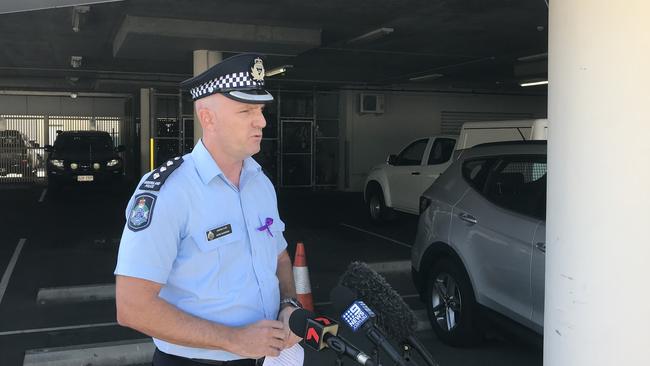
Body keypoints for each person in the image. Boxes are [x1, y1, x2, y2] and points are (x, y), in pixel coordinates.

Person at [114, 53, 302, 366]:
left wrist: (289, 303)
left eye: (260, 109)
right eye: (246, 110)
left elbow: (279, 257)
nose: (262, 121)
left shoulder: (260, 183)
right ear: (208, 118)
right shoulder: (169, 192)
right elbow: (132, 306)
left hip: (268, 358)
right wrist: (233, 339)